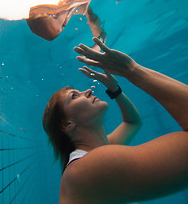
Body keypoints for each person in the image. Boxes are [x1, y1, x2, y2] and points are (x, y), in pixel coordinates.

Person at [43, 37, 188, 204]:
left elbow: (132, 122)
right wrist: (131, 70)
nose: (88, 90)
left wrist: (115, 90)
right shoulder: (93, 165)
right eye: (74, 96)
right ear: (67, 124)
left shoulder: (95, 152)